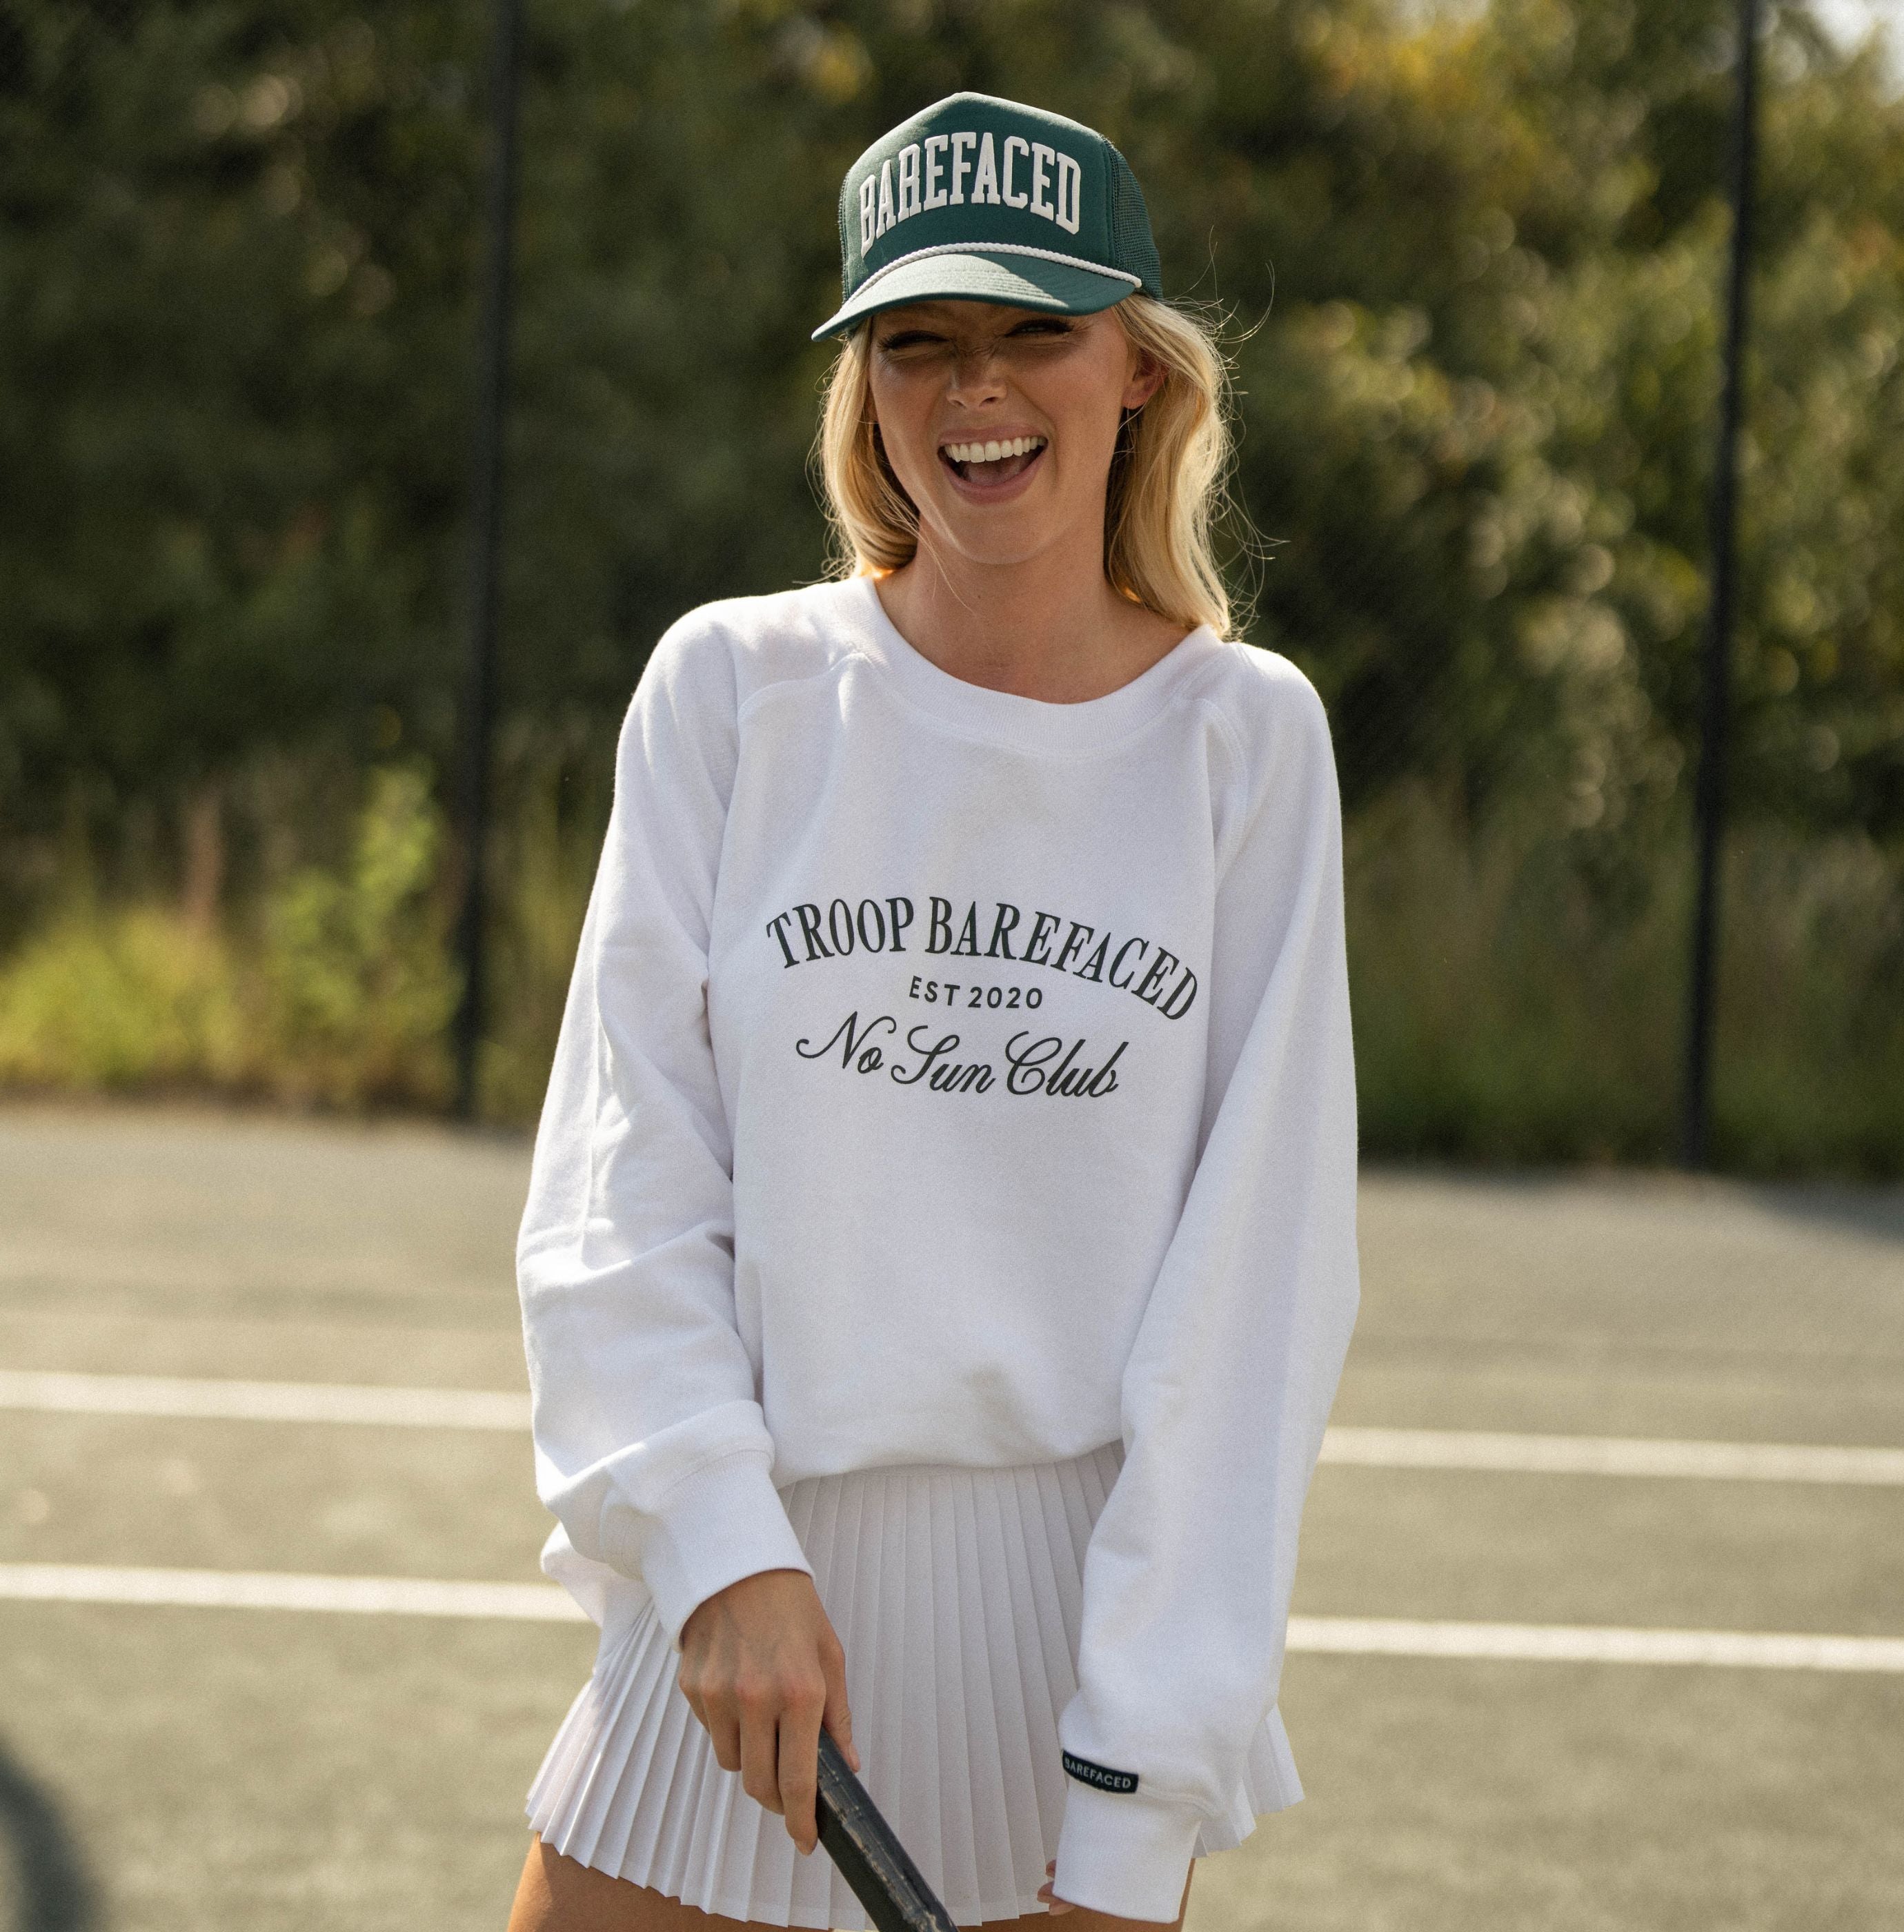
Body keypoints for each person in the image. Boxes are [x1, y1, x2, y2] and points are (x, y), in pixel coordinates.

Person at [505, 90, 1360, 1932]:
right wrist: (720, 1553)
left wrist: (1131, 1819)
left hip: (1075, 1684)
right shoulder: (733, 691)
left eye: (1034, 333)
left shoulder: (1247, 744)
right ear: (867, 388)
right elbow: (617, 1174)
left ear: (1136, 366)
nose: (978, 394)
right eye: (920, 344)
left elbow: (1257, 1298)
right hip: (737, 1630)